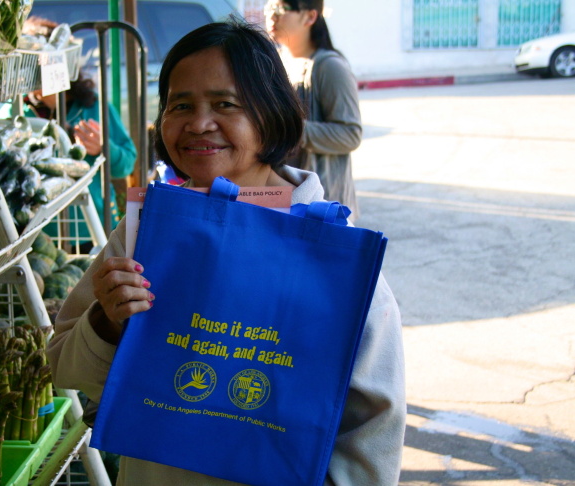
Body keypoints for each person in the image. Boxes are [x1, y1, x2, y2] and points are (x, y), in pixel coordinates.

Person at [47, 19, 405, 486]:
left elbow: (373, 426)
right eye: (180, 105)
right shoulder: (144, 231)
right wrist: (108, 321)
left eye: (225, 104)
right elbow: (65, 367)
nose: (198, 123)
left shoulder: (331, 255)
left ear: (271, 113)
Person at [20, 17, 138, 245]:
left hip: (92, 228)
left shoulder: (94, 107)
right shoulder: (17, 114)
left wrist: (104, 147)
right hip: (38, 234)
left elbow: (127, 162)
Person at [265, 0, 363, 221]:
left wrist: (290, 128)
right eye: (269, 7)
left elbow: (350, 135)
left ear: (310, 17)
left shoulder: (329, 66)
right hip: (290, 199)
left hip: (324, 204)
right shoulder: (279, 62)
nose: (272, 15)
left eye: (281, 8)